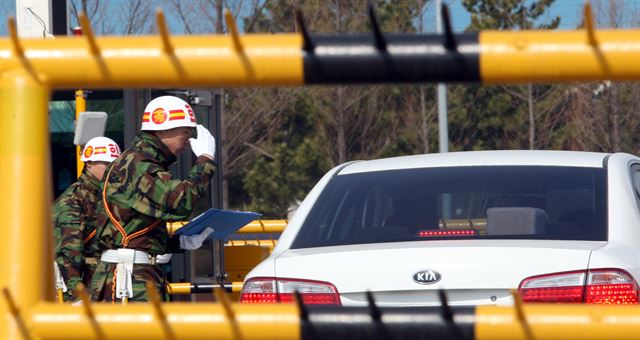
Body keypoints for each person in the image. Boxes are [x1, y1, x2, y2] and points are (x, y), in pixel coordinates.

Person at [90, 95, 217, 302]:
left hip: (136, 274)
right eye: (186, 132)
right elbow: (179, 203)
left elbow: (133, 228)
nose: (189, 139)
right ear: (164, 130)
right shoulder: (138, 164)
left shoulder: (141, 162)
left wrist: (177, 243)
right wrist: (205, 161)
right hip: (128, 279)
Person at [53, 136, 121, 302]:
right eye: (106, 164)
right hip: (84, 284)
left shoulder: (110, 196)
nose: (112, 169)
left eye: (115, 164)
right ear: (89, 163)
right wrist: (77, 296)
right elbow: (68, 253)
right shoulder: (72, 201)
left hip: (104, 282)